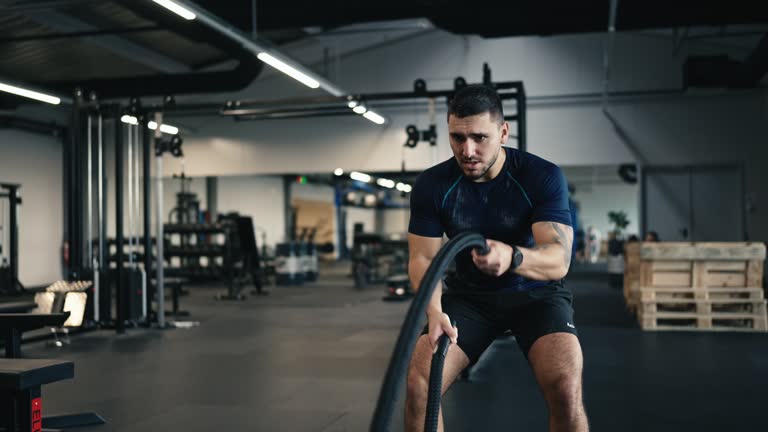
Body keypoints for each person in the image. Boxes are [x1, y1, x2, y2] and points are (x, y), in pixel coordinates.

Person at [406, 85, 588, 431]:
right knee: (419, 387)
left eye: (479, 137)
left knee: (565, 388)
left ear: (503, 132)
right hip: (470, 298)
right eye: (457, 138)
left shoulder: (541, 176)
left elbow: (558, 260)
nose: (468, 150)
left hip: (536, 294)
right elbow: (422, 259)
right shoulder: (433, 185)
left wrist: (514, 257)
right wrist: (434, 312)